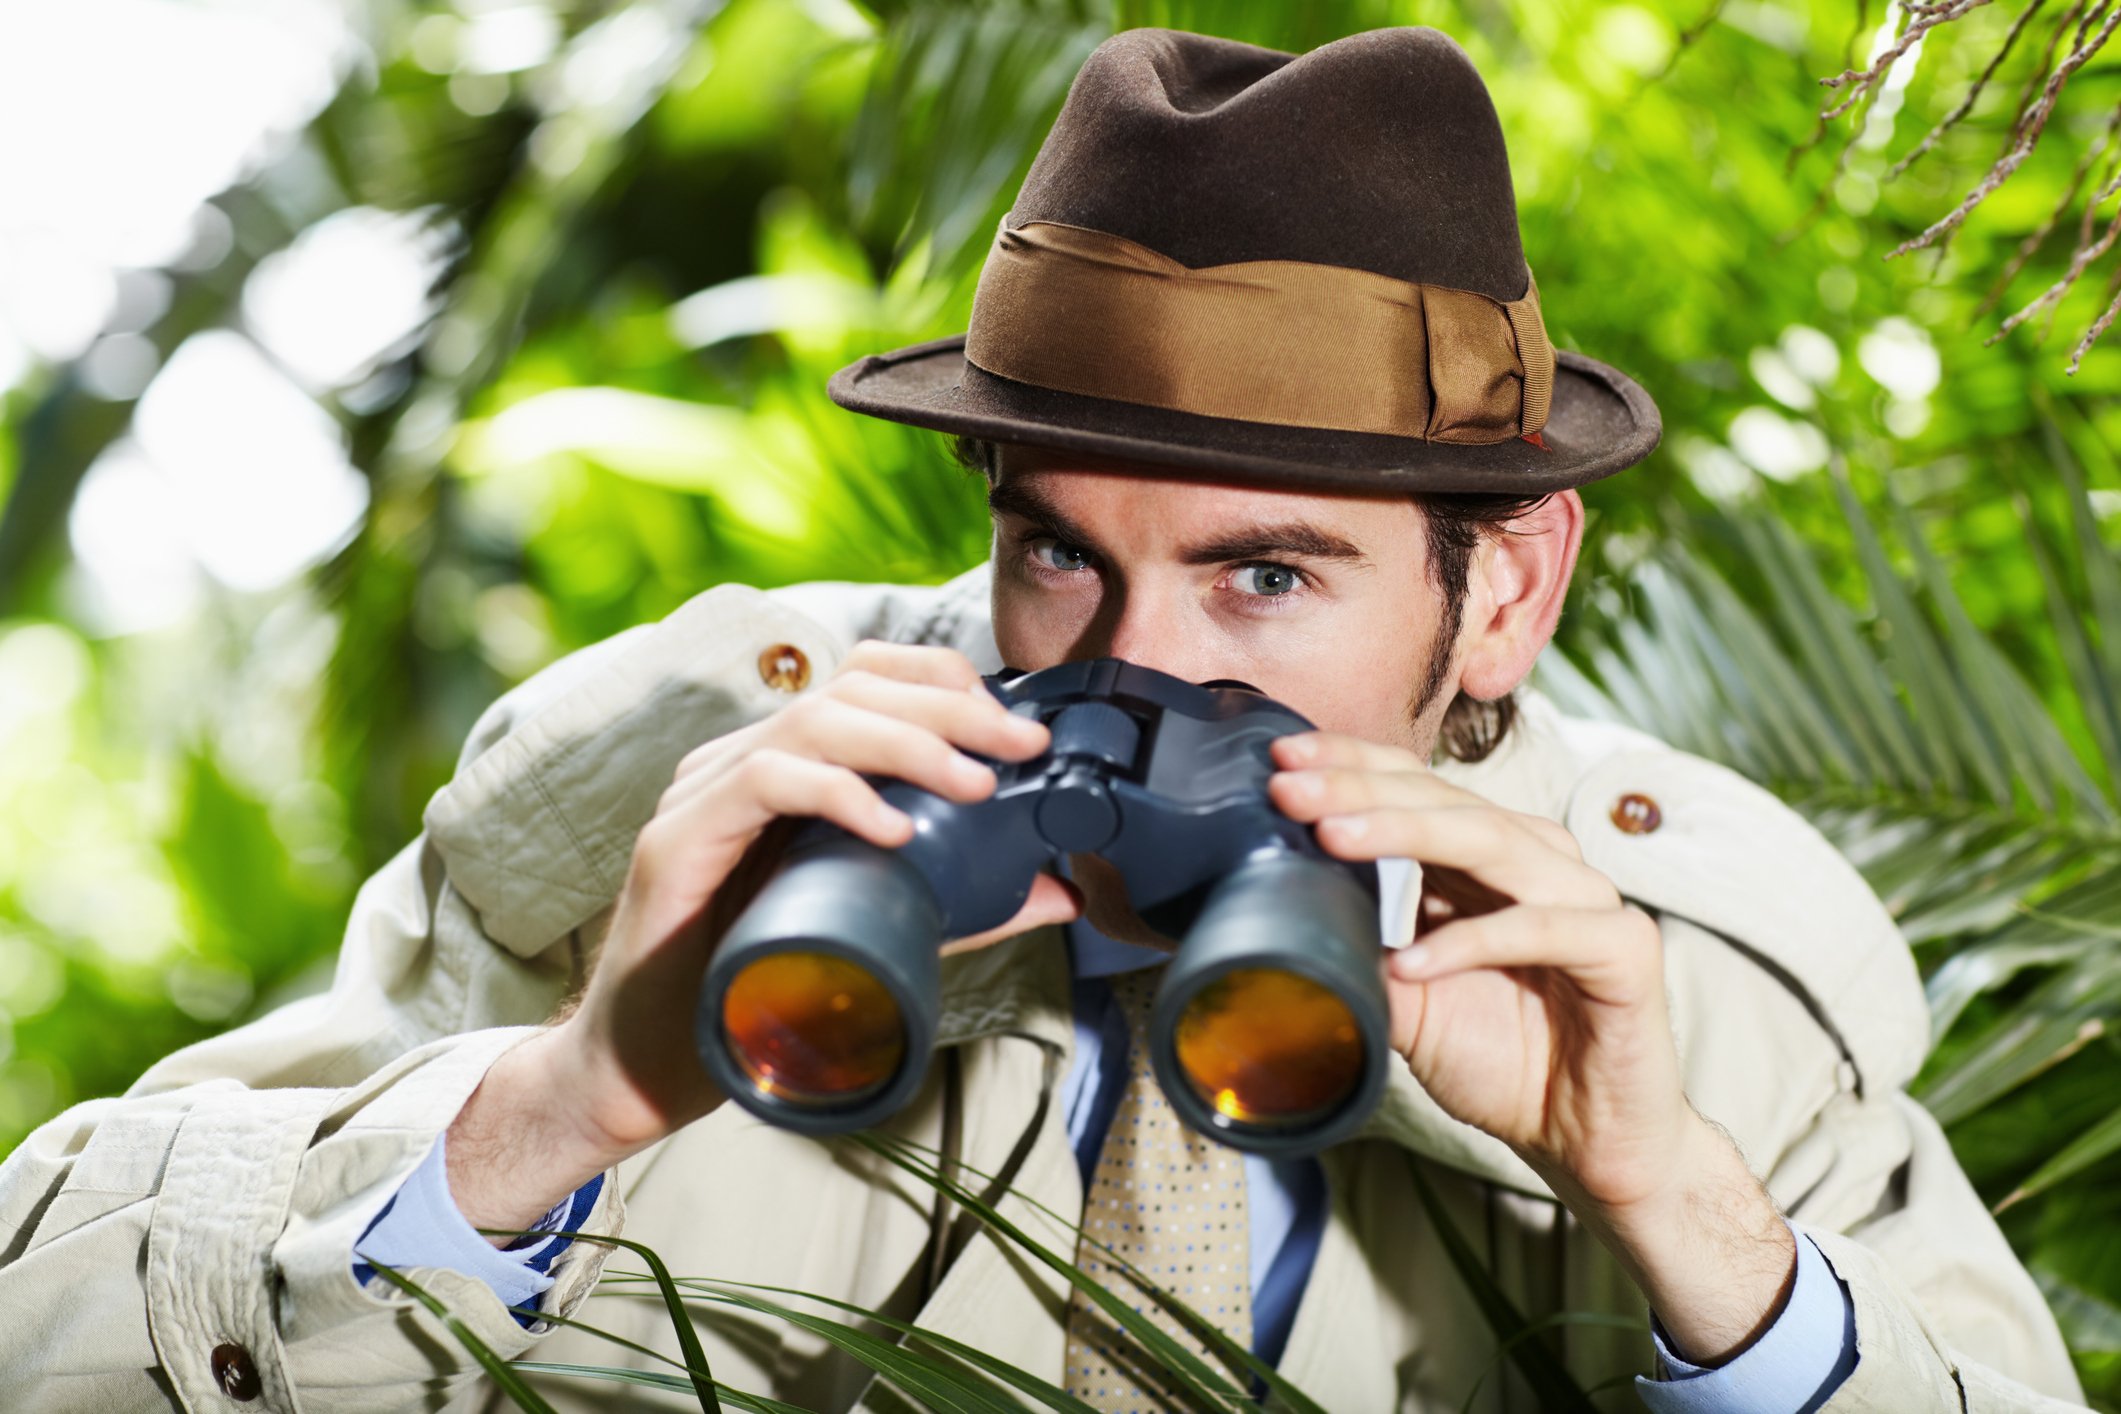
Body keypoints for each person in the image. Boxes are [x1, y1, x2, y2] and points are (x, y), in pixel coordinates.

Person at [0, 24, 2089, 1414]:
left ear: (1502, 590)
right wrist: (560, 1096)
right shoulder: (695, 809)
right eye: (1057, 548)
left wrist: (1669, 1193)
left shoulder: (1670, 976)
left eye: (1264, 573)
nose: (1139, 656)